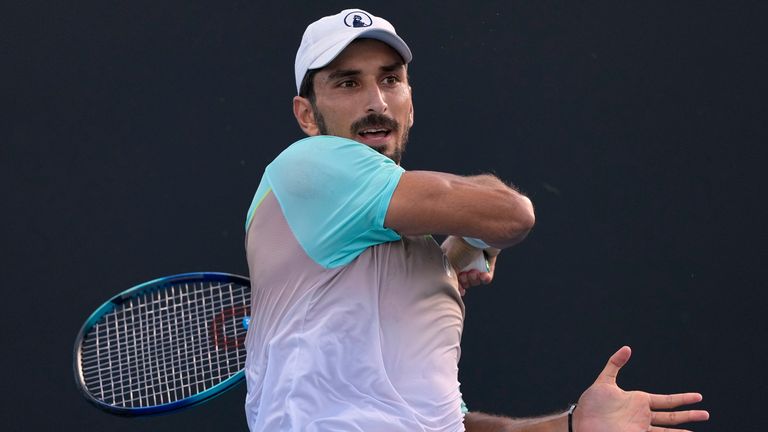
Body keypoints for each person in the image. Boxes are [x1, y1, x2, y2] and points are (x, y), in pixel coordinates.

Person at [242, 8, 709, 431]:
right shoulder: (312, 164)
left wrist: (571, 426)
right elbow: (511, 214)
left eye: (390, 80)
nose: (377, 104)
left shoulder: (415, 260)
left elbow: (444, 423)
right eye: (348, 83)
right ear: (306, 115)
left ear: (410, 100)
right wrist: (474, 235)